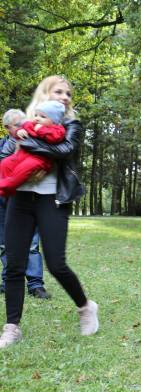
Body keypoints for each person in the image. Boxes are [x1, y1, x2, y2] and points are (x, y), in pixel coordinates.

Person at [0, 75, 98, 349]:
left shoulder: (72, 124)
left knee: (56, 264)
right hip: (20, 199)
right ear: (45, 92)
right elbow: (10, 151)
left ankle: (85, 307)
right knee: (14, 264)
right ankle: (12, 327)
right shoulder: (31, 119)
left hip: (51, 199)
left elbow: (66, 150)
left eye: (68, 93)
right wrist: (27, 140)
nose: (65, 97)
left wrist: (28, 141)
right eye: (59, 91)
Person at [0, 109, 49, 299]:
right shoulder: (3, 146)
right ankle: (8, 281)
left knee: (32, 245)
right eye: (18, 126)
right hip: (4, 201)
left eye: (24, 124)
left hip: (27, 200)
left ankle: (36, 285)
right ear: (7, 128)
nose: (23, 128)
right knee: (4, 244)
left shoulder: (35, 143)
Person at [0, 101, 67, 197]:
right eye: (36, 115)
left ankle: (5, 186)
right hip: (23, 154)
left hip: (39, 159)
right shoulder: (31, 125)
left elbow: (55, 137)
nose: (37, 118)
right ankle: (7, 189)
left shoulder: (57, 129)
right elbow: (24, 128)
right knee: (5, 163)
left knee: (22, 169)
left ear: (54, 120)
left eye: (42, 117)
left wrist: (41, 130)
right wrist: (20, 131)